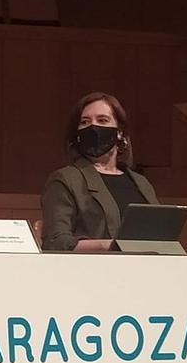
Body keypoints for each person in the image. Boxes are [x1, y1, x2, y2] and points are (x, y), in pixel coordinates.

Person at [40, 91, 160, 251]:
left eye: (102, 120)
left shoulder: (141, 183)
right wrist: (111, 245)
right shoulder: (65, 179)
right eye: (84, 122)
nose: (93, 127)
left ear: (120, 132)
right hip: (92, 271)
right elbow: (56, 242)